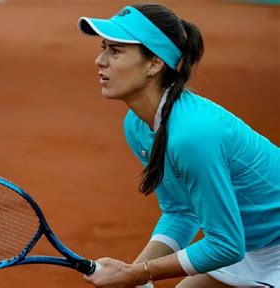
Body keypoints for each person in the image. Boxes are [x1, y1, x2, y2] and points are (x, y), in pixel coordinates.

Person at [77, 3, 280, 287]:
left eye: (116, 50)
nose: (100, 60)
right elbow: (181, 211)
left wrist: (137, 273)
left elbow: (225, 245)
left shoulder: (193, 135)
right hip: (250, 245)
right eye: (104, 47)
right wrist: (137, 275)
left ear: (154, 64)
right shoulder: (138, 125)